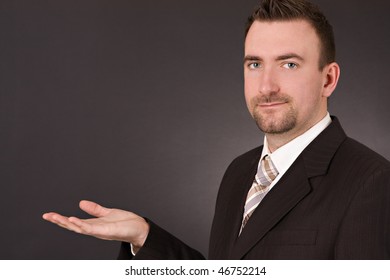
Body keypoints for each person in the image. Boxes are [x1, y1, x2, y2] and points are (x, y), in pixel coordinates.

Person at [42, 0, 390, 259]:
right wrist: (145, 237)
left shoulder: (372, 183)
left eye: (289, 64)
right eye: (255, 64)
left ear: (328, 79)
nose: (266, 85)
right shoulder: (239, 172)